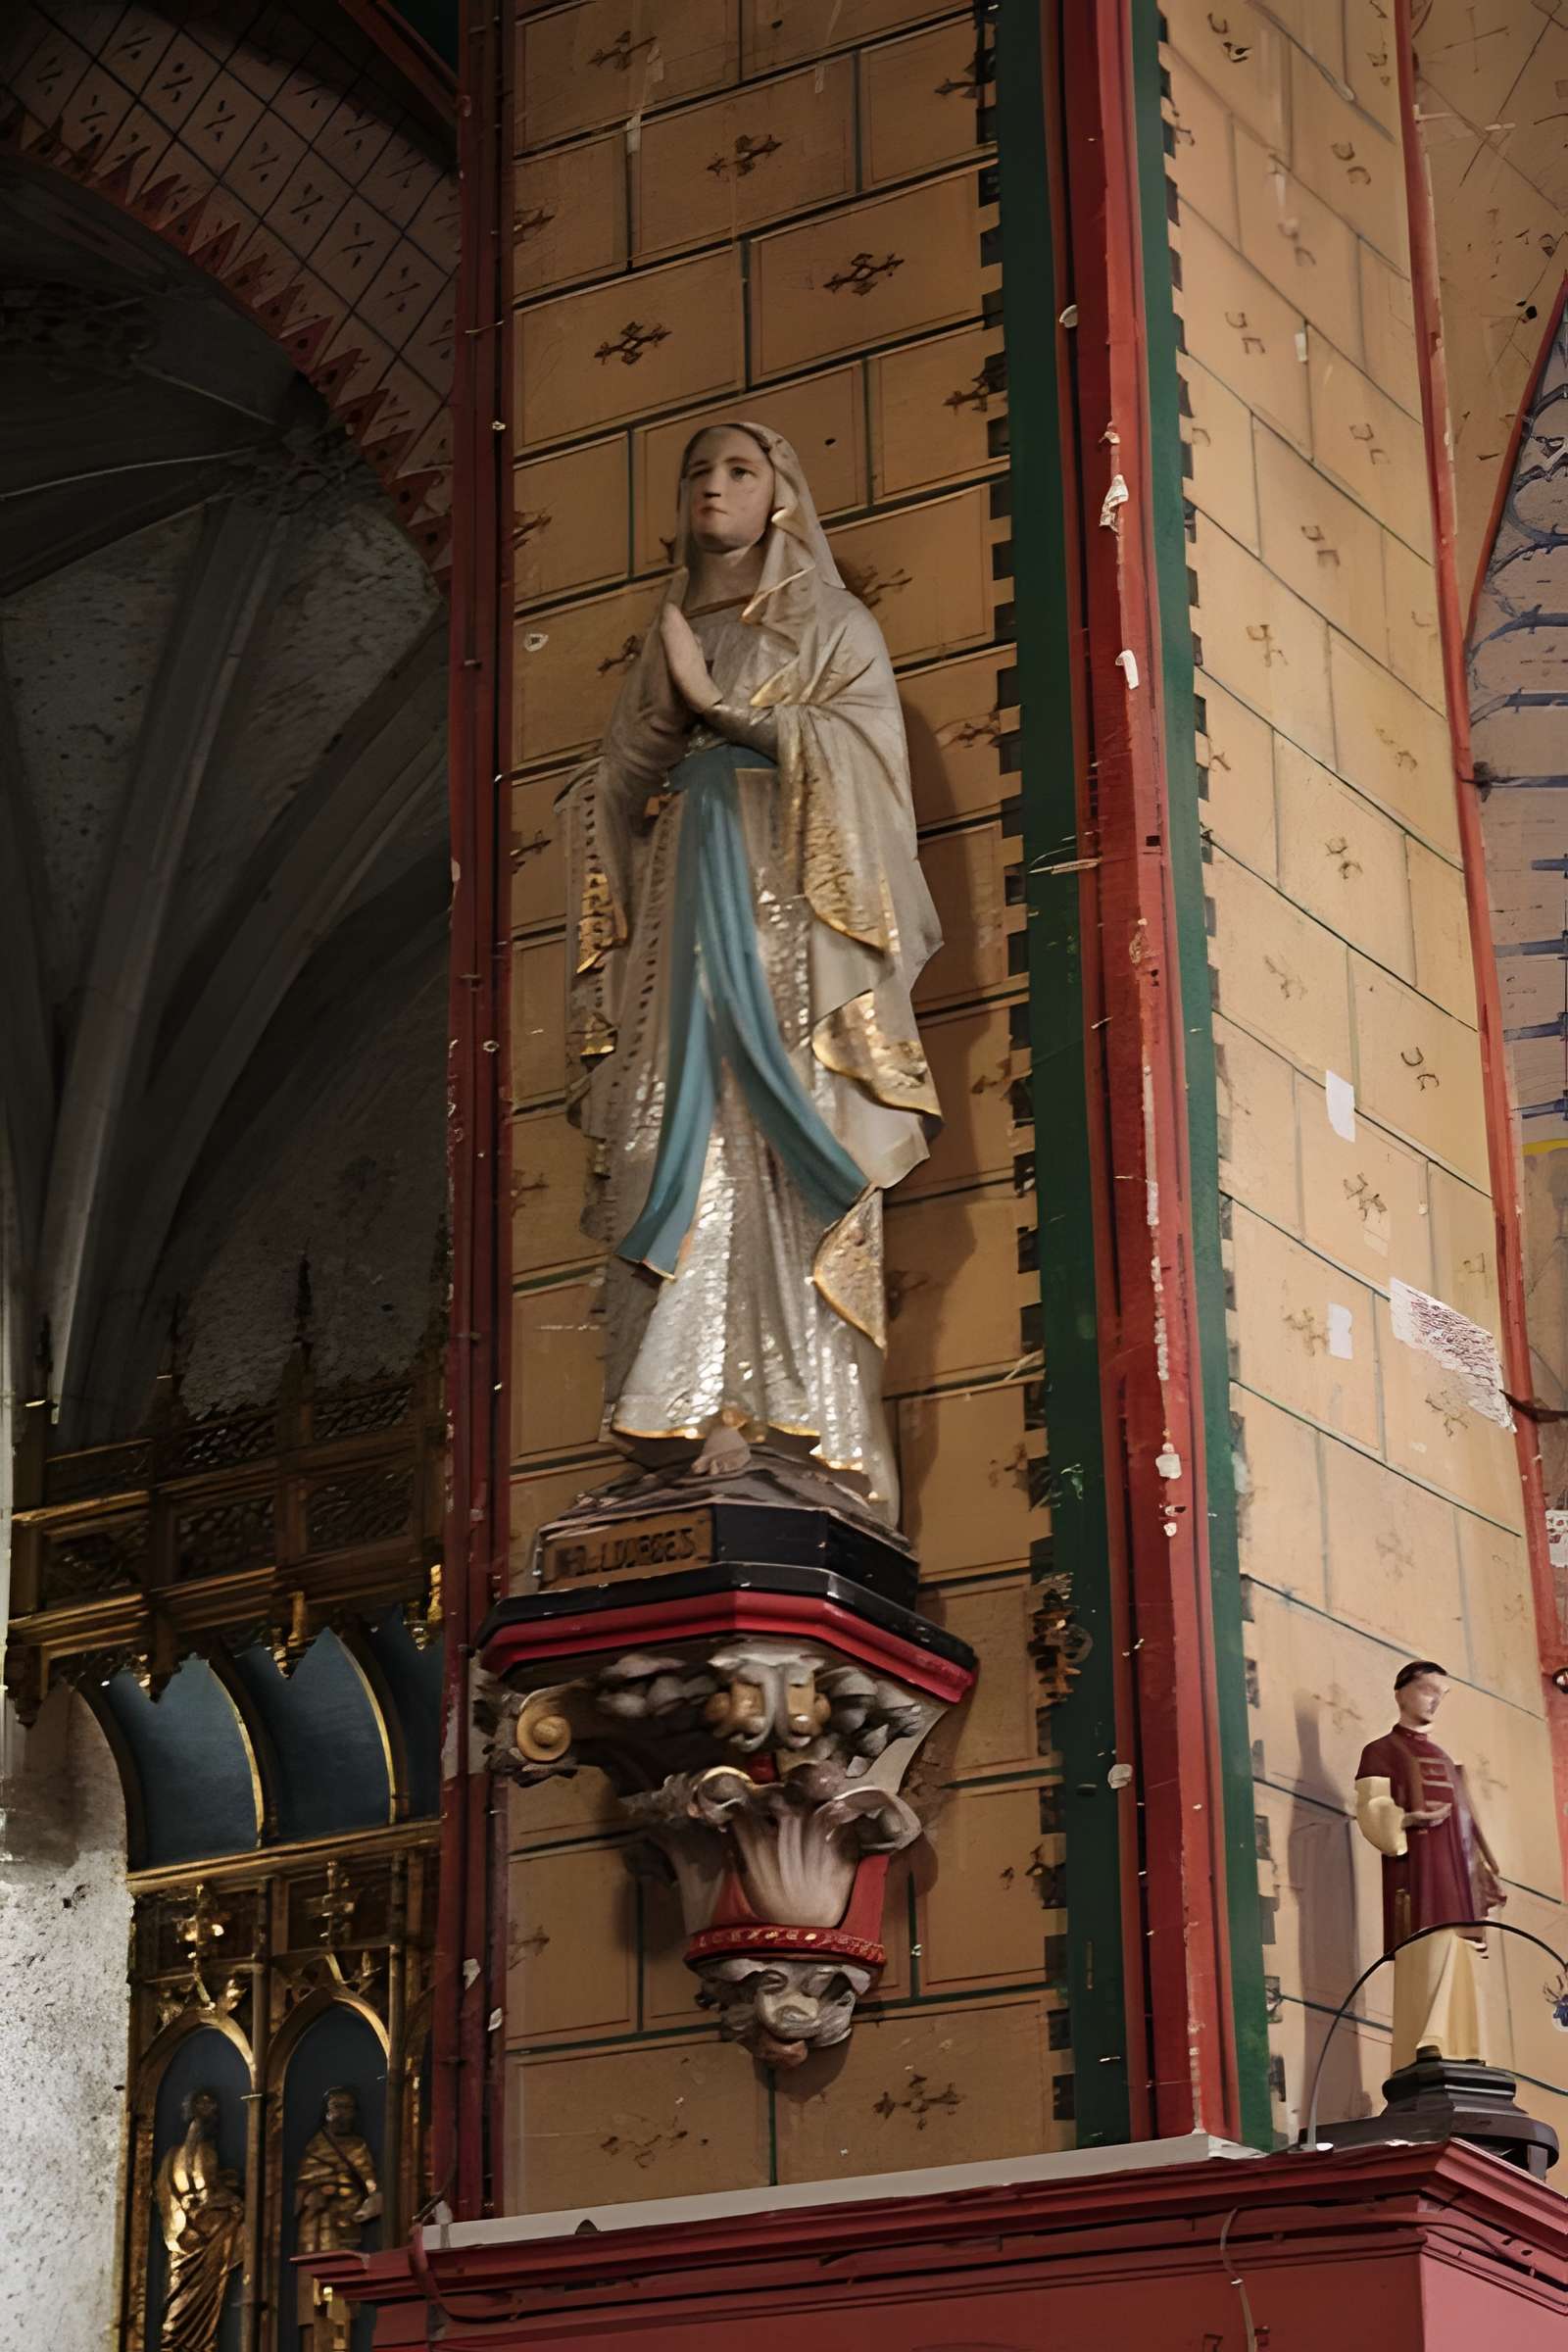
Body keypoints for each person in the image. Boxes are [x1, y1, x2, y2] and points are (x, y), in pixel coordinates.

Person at [563, 421, 940, 1516]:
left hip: (790, 942)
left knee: (780, 1134)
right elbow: (623, 776)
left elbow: (870, 770)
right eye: (697, 473)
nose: (713, 489)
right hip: (681, 922)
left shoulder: (828, 622)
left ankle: (804, 1418)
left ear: (780, 494)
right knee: (662, 1134)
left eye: (738, 470)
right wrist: (629, 761)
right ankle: (686, 1405)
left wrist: (730, 712)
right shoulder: (668, 631)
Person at [1354, 1659, 1504, 2072]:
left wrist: (1481, 1875)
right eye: (1426, 1690)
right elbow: (1371, 1806)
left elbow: (1467, 1828)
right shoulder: (1381, 1751)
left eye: (1441, 1694)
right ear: (1401, 1692)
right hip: (1418, 1874)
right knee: (1430, 1947)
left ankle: (1465, 2043)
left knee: (1459, 1949)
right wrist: (1404, 1819)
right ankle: (1428, 2039)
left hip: (1455, 1873)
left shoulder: (1443, 1758)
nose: (1434, 1701)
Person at [152, 2086, 244, 2351]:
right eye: (205, 2106)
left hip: (190, 2233)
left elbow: (188, 2191)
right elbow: (205, 2194)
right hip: (202, 2235)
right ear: (191, 2111)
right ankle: (187, 2342)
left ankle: (192, 2342)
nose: (212, 2111)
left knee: (196, 2296)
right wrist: (235, 2202)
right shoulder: (200, 2150)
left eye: (213, 2106)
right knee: (190, 2297)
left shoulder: (176, 2154)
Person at [294, 2084, 381, 2351]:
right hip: (315, 2231)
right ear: (326, 2113)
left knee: (340, 2300)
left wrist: (362, 2208)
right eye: (336, 2107)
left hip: (346, 2230)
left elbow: (373, 2191)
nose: (342, 2114)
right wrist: (310, 2196)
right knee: (315, 2302)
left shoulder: (358, 2147)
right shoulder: (315, 2147)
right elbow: (300, 2188)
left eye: (347, 2107)